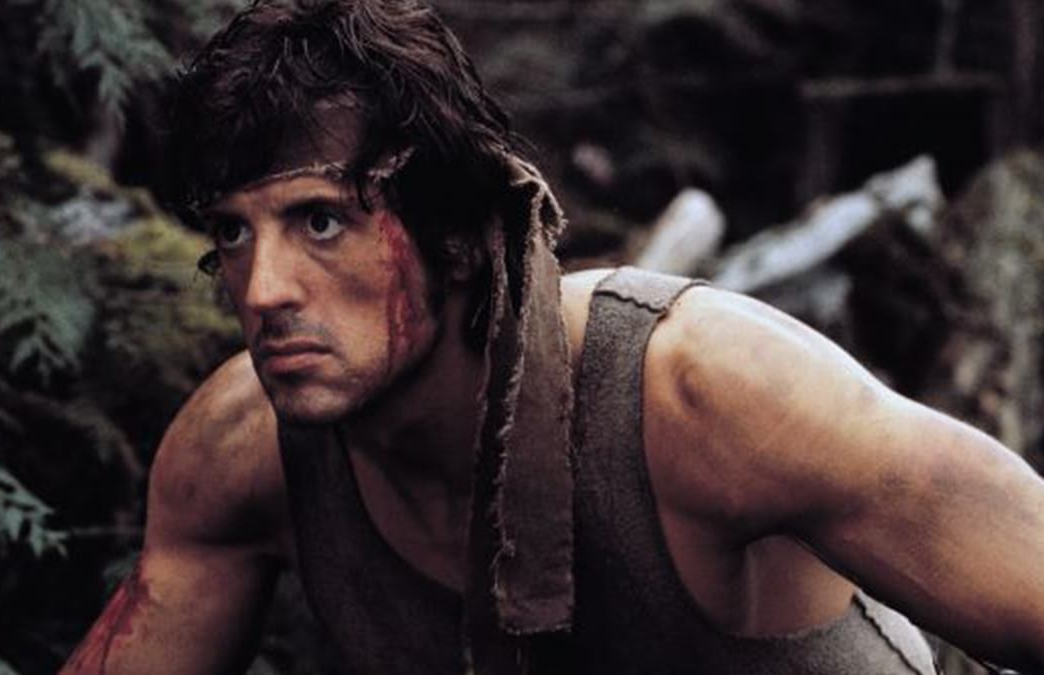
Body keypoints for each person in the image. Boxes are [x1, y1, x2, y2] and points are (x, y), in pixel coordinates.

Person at [59, 1, 1044, 673]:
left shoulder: (701, 387)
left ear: (453, 229)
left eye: (322, 221)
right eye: (234, 233)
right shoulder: (236, 455)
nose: (264, 289)